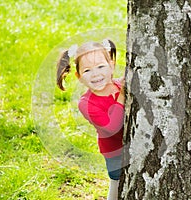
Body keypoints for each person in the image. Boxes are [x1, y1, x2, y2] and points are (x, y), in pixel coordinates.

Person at [56, 39, 124, 200]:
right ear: (79, 76)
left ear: (112, 66)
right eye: (87, 70)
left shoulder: (120, 85)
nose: (96, 74)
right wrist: (122, 97)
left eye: (101, 66)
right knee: (117, 185)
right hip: (115, 151)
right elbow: (113, 126)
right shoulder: (87, 103)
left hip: (134, 147)